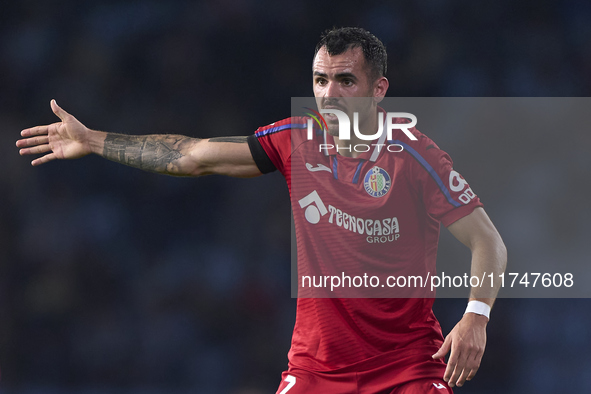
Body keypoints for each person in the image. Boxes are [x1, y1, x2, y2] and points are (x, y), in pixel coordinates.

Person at [17, 27, 506, 393]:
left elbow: (487, 241)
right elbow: (192, 156)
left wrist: (476, 317)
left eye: (345, 81)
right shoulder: (296, 139)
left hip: (406, 369)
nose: (329, 94)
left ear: (378, 90)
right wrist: (95, 140)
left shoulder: (416, 156)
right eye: (319, 80)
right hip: (315, 370)